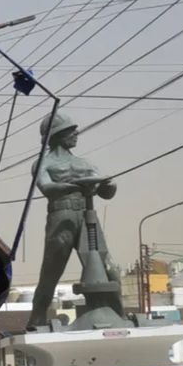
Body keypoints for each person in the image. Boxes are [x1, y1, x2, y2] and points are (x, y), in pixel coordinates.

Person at [26, 112, 120, 330]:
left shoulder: (84, 163)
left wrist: (108, 185)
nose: (76, 133)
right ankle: (36, 319)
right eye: (71, 130)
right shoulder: (43, 163)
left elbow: (107, 192)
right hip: (62, 217)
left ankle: (119, 314)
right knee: (51, 271)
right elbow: (47, 187)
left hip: (88, 216)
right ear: (57, 135)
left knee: (109, 269)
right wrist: (77, 185)